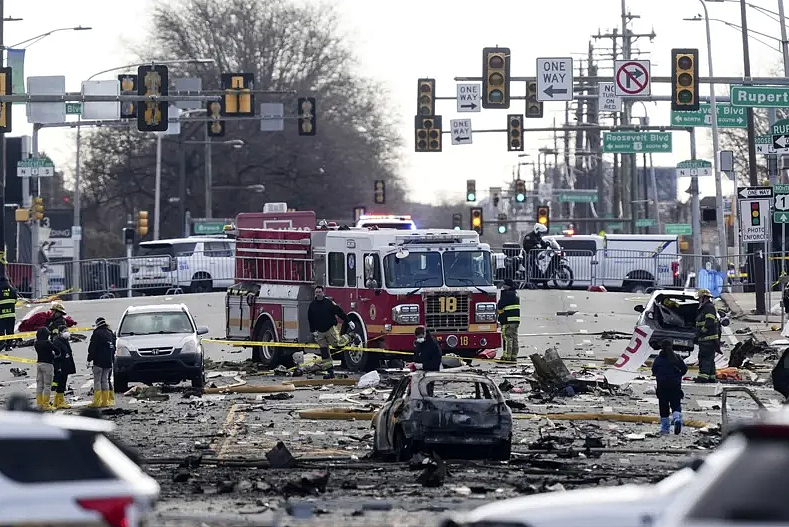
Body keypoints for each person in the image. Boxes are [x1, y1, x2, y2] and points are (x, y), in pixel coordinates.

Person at [307, 285, 356, 379]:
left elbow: (339, 312)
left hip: (330, 329)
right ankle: (330, 372)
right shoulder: (312, 305)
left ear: (323, 293)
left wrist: (348, 320)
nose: (318, 294)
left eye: (319, 292)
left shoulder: (329, 303)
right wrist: (313, 331)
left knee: (338, 344)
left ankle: (350, 336)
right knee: (324, 352)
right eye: (316, 292)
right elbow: (310, 319)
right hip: (319, 332)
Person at [651, 339, 688, 435]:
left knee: (663, 406)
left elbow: (654, 371)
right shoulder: (677, 357)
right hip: (675, 384)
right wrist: (678, 375)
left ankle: (665, 428)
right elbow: (684, 369)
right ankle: (677, 418)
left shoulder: (658, 359)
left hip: (662, 385)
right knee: (675, 404)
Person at [87, 316, 116, 408]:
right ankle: (105, 401)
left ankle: (97, 401)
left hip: (98, 361)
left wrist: (89, 359)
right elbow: (114, 347)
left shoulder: (97, 333)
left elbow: (92, 348)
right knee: (105, 380)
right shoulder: (110, 333)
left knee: (97, 381)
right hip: (108, 361)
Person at [694, 288, 720, 383]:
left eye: (699, 298)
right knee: (710, 358)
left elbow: (710, 322)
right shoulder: (706, 307)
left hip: (707, 338)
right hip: (708, 338)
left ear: (704, 298)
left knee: (704, 357)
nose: (698, 300)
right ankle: (711, 377)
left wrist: (702, 331)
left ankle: (703, 377)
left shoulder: (708, 307)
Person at [51, 324, 76, 410]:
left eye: (67, 331)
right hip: (61, 366)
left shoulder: (64, 341)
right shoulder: (57, 342)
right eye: (65, 331)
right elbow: (57, 356)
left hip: (65, 365)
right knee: (61, 384)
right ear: (60, 333)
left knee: (62, 384)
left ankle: (57, 401)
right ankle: (60, 402)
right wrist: (58, 367)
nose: (67, 333)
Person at [497, 278, 520, 363]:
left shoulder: (507, 294)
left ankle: (507, 357)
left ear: (507, 285)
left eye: (504, 285)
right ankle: (514, 356)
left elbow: (500, 305)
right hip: (515, 320)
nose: (502, 286)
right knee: (514, 338)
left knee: (507, 338)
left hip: (508, 320)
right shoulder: (515, 294)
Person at [34, 327, 55, 411]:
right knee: (47, 385)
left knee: (39, 385)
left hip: (39, 364)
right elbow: (57, 351)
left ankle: (39, 404)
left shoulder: (36, 343)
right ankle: (46, 404)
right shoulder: (48, 343)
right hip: (48, 365)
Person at [0, 277, 17, 351]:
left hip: (1, 315)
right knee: (10, 331)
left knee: (1, 330)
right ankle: (8, 346)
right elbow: (15, 301)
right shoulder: (13, 290)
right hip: (11, 314)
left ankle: (1, 344)